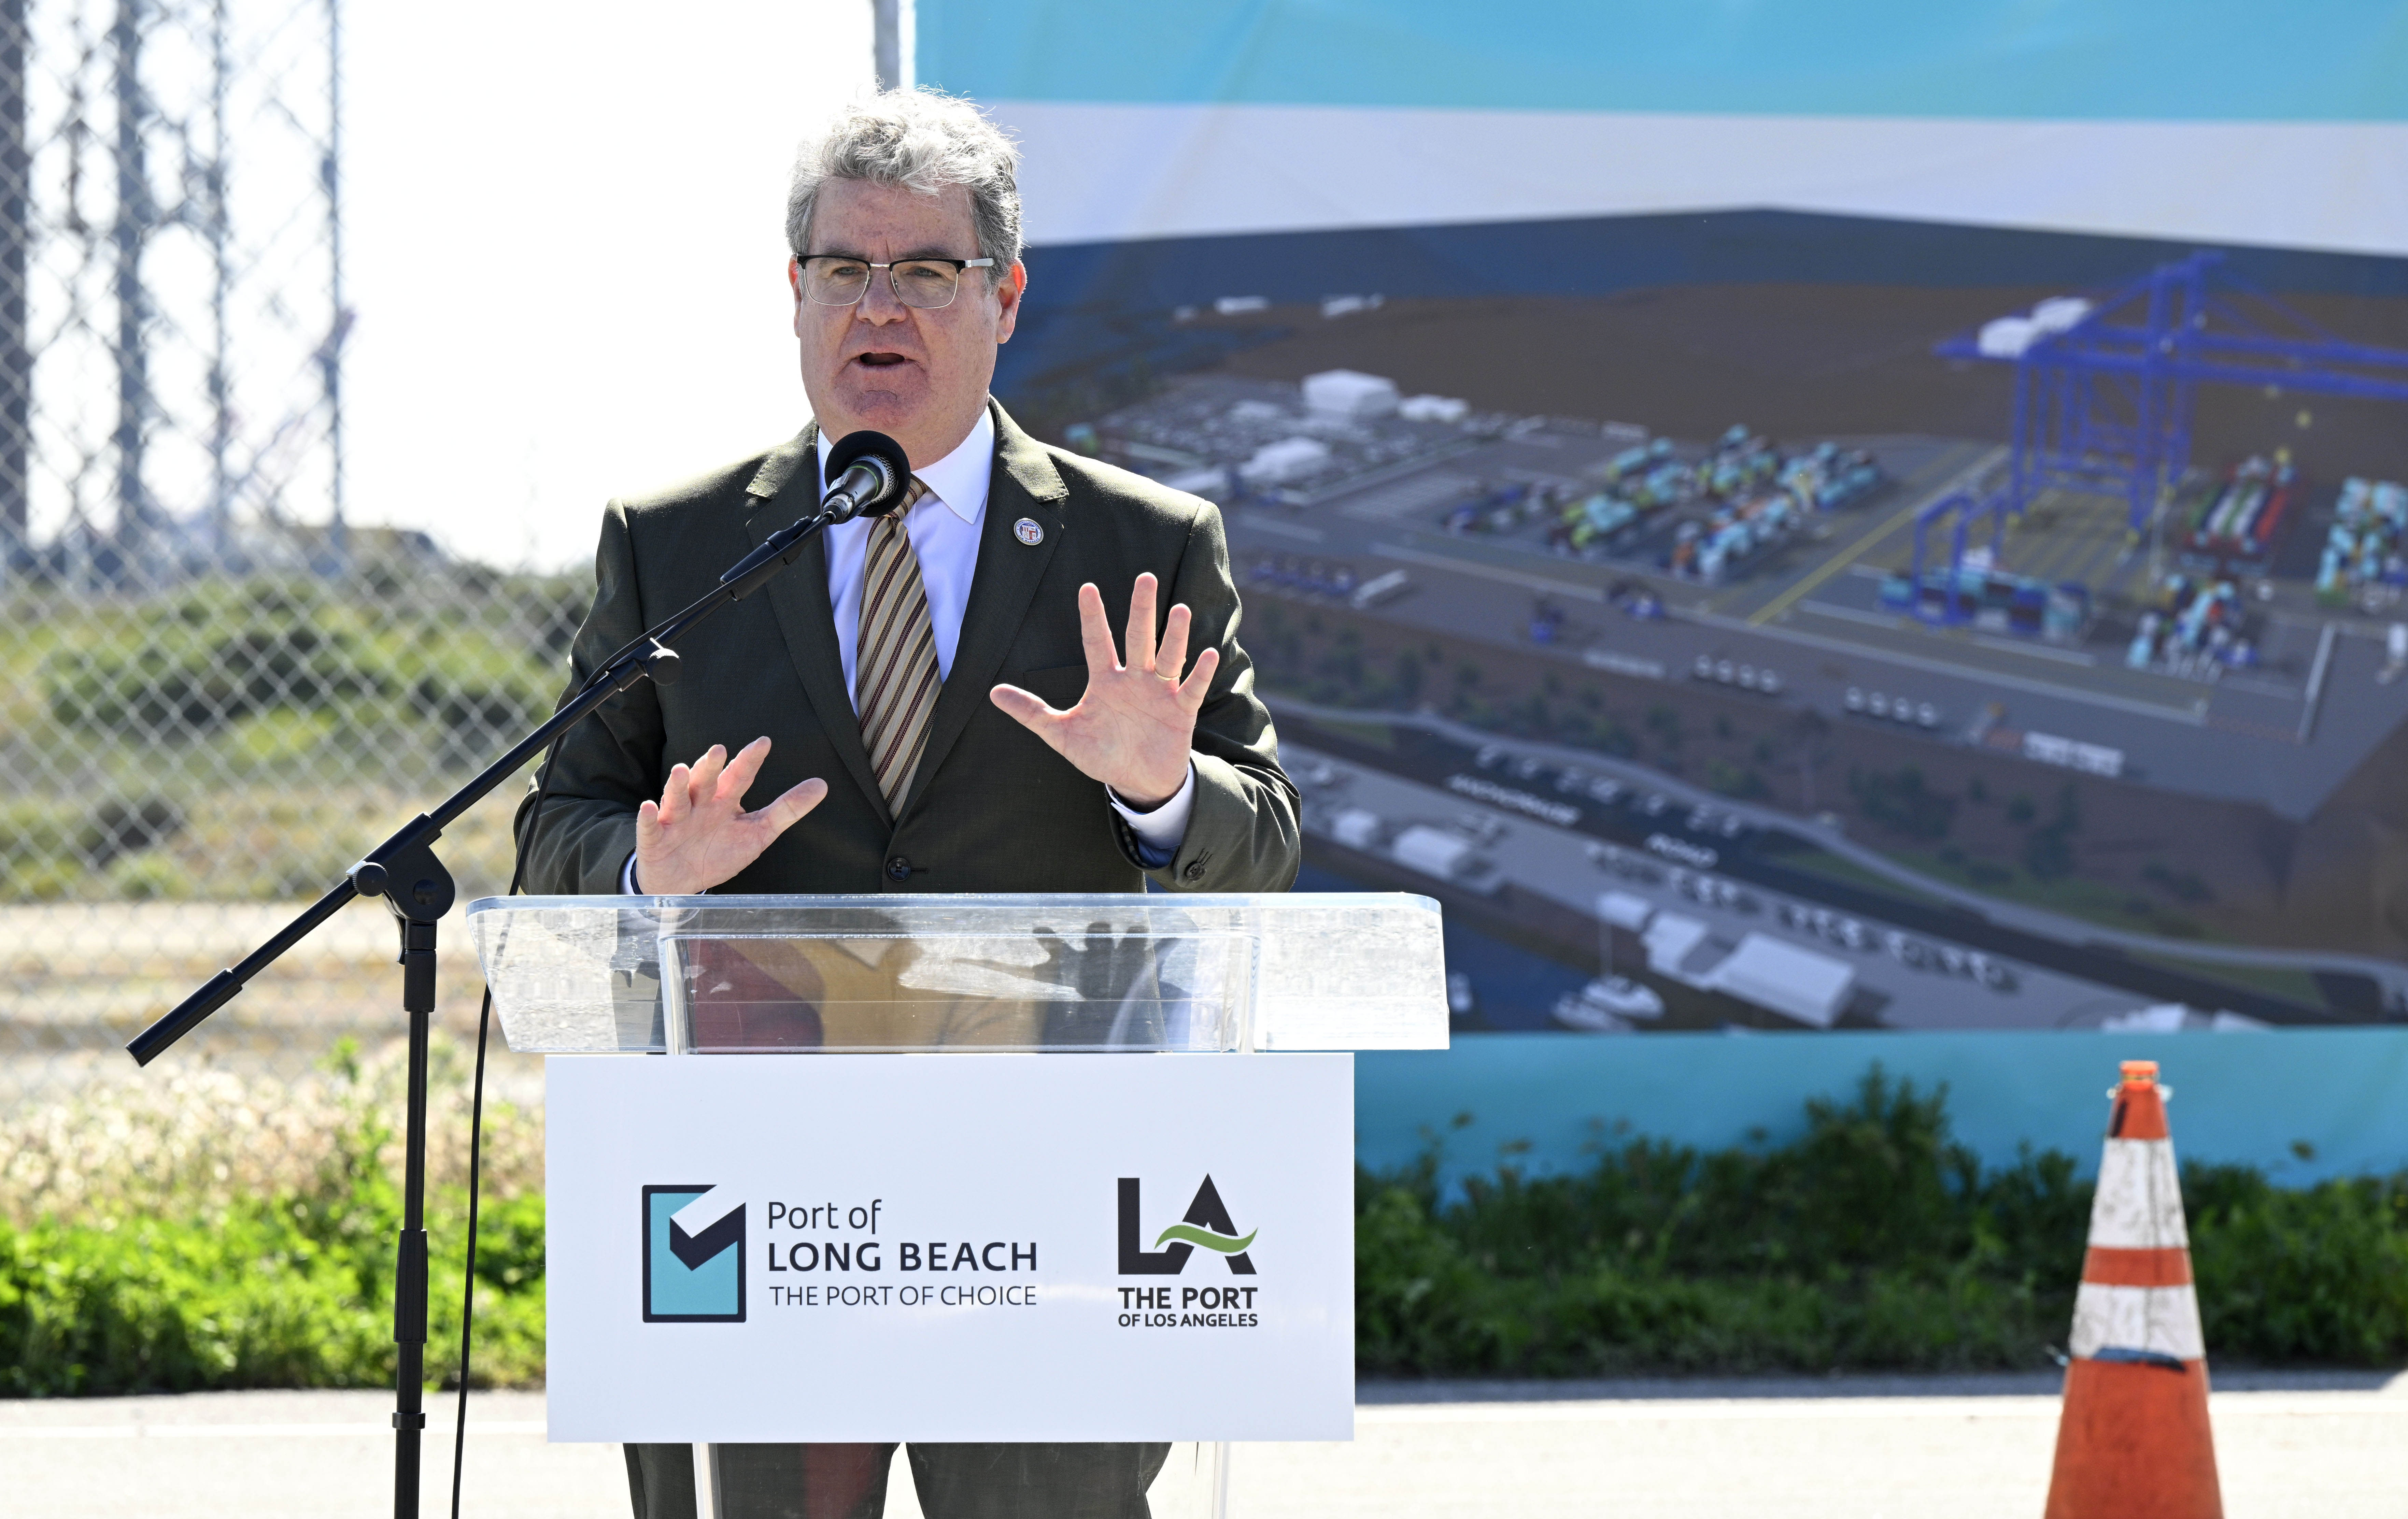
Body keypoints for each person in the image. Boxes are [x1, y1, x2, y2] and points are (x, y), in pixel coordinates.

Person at [515, 89, 1301, 1519]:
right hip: (760, 1192)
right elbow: (556, 828)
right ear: (796, 293)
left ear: (1001, 294)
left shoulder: (1142, 547)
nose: (879, 304)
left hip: (1051, 1193)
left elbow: (1266, 837)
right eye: (843, 270)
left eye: (926, 270)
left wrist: (1161, 789)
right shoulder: (680, 545)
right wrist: (645, 867)